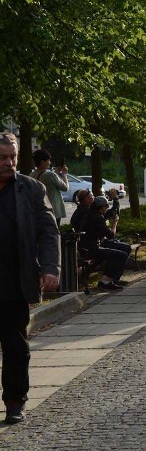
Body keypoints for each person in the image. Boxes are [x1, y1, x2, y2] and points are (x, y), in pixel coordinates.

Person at [0, 132, 60, 425]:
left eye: (12, 156)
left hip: (14, 281)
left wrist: (50, 268)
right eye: (2, 157)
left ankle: (14, 400)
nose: (9, 163)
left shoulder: (31, 189)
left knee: (15, 346)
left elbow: (48, 231)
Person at [30, 149, 69, 226]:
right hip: (53, 210)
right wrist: (64, 174)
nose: (50, 162)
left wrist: (57, 173)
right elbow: (65, 188)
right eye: (48, 160)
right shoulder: (51, 175)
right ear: (42, 162)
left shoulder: (31, 175)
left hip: (39, 210)